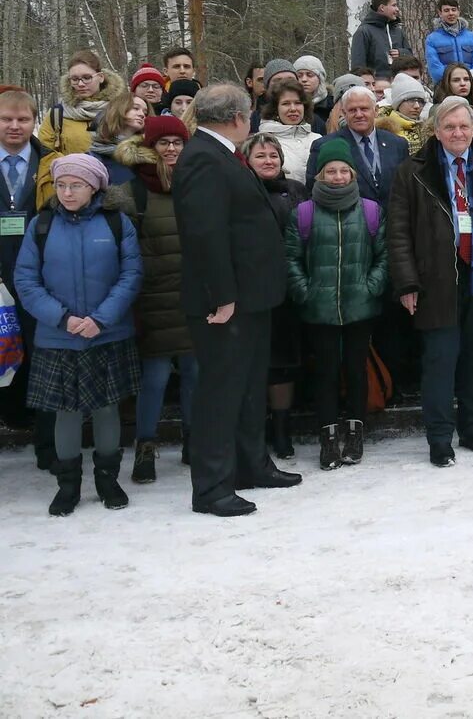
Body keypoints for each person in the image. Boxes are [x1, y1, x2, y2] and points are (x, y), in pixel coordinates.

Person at [173, 83, 301, 517]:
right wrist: (222, 296)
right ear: (235, 117)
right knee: (220, 393)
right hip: (226, 303)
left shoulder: (222, 153)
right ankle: (211, 488)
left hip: (252, 298)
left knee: (248, 388)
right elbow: (203, 233)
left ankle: (251, 465)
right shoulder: (203, 158)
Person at [387, 98, 473, 466]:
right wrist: (407, 283)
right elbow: (398, 232)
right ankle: (439, 437)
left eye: (464, 127)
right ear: (436, 131)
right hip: (436, 278)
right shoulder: (413, 170)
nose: (458, 133)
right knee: (440, 359)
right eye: (449, 127)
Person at [14, 154, 143, 515]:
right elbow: (26, 279)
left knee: (106, 409)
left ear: (95, 187)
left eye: (77, 185)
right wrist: (63, 318)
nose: (67, 192)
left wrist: (101, 319)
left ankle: (107, 480)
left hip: (108, 333)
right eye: (61, 184)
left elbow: (131, 275)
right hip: (59, 337)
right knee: (65, 413)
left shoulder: (117, 223)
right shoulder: (41, 225)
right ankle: (68, 486)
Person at [104, 116, 200, 483]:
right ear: (150, 145)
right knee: (155, 377)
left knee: (194, 372)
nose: (172, 149)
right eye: (164, 143)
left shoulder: (196, 182)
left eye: (178, 142)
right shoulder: (134, 190)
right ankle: (146, 445)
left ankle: (194, 438)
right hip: (153, 298)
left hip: (194, 294)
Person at [284, 140, 389, 470]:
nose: (339, 176)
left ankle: (356, 430)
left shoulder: (370, 210)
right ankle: (328, 435)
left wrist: (370, 286)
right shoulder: (304, 213)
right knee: (326, 372)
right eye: (332, 171)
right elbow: (291, 258)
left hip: (360, 306)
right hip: (320, 308)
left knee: (357, 370)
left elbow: (383, 255)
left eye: (344, 171)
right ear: (320, 175)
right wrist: (306, 291)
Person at [243, 132, 309, 460]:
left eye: (273, 155)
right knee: (256, 363)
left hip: (291, 289)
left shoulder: (297, 191)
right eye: (260, 155)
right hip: (251, 290)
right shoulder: (239, 190)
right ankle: (257, 428)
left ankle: (282, 430)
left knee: (283, 362)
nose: (268, 161)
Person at [0, 90, 57, 466]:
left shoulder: (52, 164)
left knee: (44, 359)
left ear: (34, 121)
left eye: (22, 120)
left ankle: (48, 444)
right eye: (6, 119)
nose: (15, 126)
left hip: (41, 280)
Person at [306, 85, 410, 207]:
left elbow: (405, 188)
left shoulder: (398, 144)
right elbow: (313, 191)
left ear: (376, 110)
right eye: (352, 110)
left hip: (391, 221)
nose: (359, 114)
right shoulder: (324, 146)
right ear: (344, 113)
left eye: (364, 109)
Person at [38, 49, 119, 156]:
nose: (80, 84)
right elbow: (45, 155)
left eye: (87, 78)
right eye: (75, 79)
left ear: (100, 77)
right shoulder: (57, 114)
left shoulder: (120, 110)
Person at [259, 78, 318, 183]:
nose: (293, 108)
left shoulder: (318, 140)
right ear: (275, 108)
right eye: (286, 103)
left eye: (298, 103)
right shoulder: (263, 142)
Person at [86, 91, 147, 185]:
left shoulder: (149, 151)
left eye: (145, 112)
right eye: (136, 108)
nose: (142, 115)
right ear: (118, 109)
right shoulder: (93, 158)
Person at [424, 0, 473, 83]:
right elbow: (434, 67)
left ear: (458, 11)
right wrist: (453, 82)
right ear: (440, 13)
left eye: (453, 10)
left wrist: (469, 81)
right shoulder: (432, 39)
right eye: (446, 10)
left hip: (470, 85)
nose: (451, 13)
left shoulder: (472, 37)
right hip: (444, 87)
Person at [350, 0, 410, 79]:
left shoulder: (398, 31)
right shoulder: (363, 32)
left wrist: (401, 53)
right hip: (376, 89)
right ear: (382, 7)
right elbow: (358, 69)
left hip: (399, 88)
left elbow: (411, 57)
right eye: (394, 5)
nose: (397, 9)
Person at [379, 72, 432, 154]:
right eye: (411, 100)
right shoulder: (384, 130)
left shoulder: (429, 130)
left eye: (421, 101)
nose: (417, 106)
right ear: (398, 104)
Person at [292, 55, 332, 125]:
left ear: (320, 79)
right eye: (299, 76)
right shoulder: (289, 105)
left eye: (310, 75)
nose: (304, 79)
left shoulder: (332, 106)